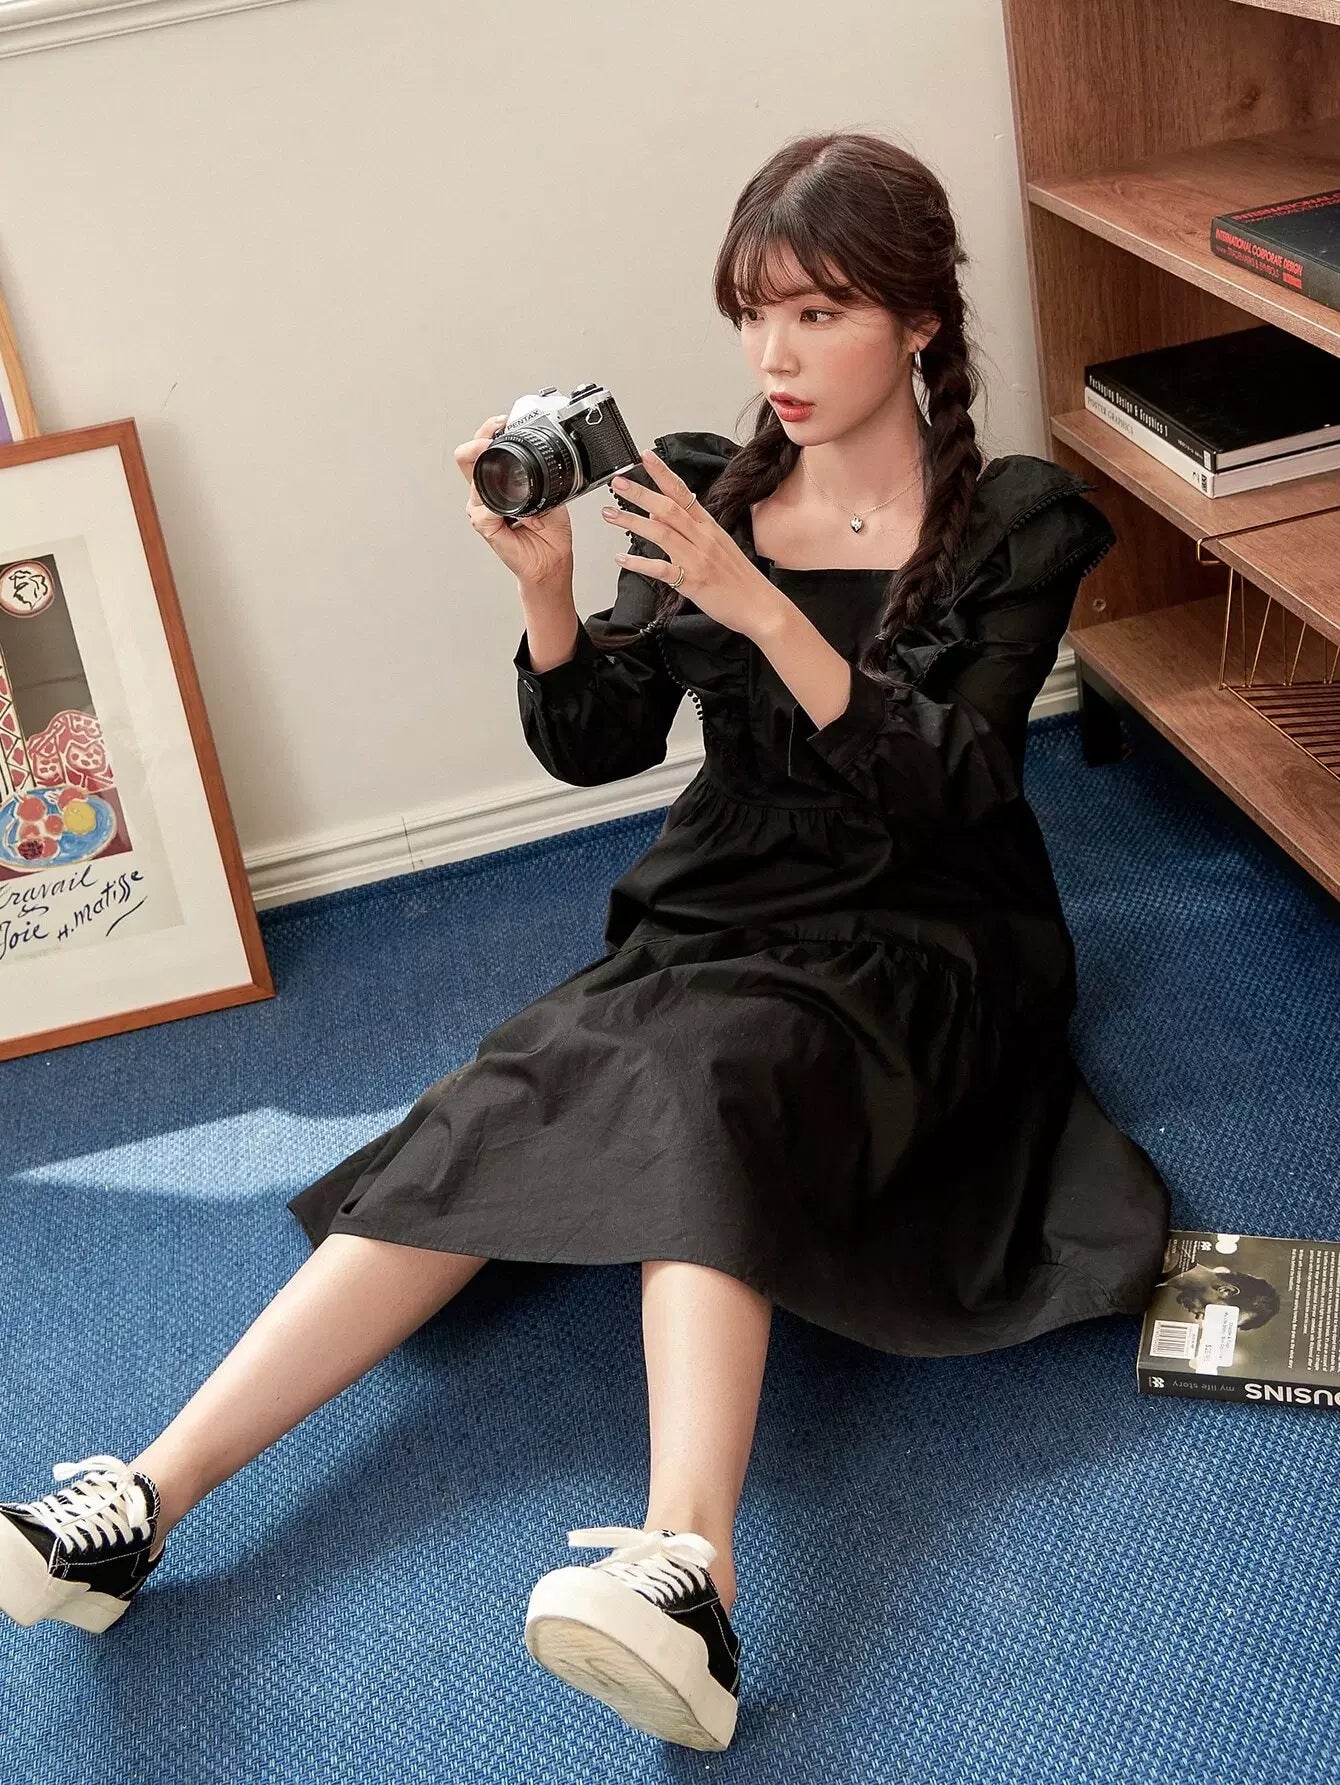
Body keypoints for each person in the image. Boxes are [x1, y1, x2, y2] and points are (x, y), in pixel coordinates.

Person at [0, 129, 1172, 1754]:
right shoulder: (708, 486)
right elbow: (600, 739)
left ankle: (692, 1569)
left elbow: (961, 787)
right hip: (724, 897)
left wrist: (759, 605)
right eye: (751, 313)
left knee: (709, 1082)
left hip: (924, 927)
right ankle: (144, 1496)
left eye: (818, 312)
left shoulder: (1016, 518)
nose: (774, 357)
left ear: (918, 319)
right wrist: (549, 595)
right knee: (506, 1089)